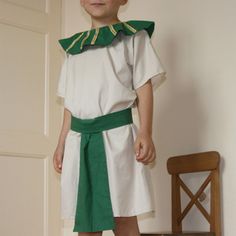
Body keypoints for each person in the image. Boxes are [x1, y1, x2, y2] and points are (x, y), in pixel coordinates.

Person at [53, 0, 166, 235]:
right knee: (85, 217)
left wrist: (146, 131)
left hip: (118, 140)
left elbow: (143, 87)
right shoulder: (74, 49)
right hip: (79, 140)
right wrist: (61, 141)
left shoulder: (134, 37)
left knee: (122, 214)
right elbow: (70, 103)